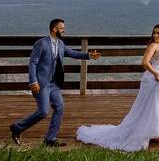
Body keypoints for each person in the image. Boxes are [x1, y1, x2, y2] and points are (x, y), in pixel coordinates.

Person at [76, 23, 159, 151]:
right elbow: (145, 62)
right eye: (154, 33)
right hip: (156, 77)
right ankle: (152, 132)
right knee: (154, 105)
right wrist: (156, 73)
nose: (156, 35)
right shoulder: (153, 46)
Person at [9, 18, 100, 147]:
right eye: (62, 28)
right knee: (43, 111)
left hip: (55, 84)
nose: (64, 31)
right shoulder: (41, 43)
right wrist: (33, 81)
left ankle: (50, 139)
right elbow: (33, 62)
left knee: (59, 107)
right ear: (54, 29)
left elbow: (72, 53)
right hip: (42, 83)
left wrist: (89, 56)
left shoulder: (61, 44)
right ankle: (17, 128)